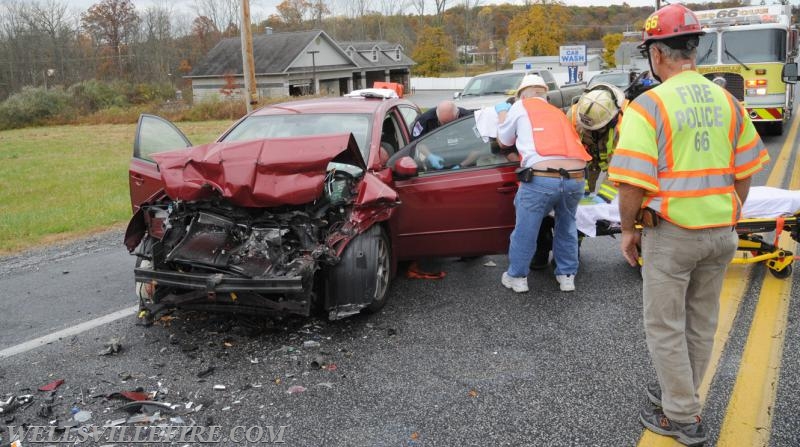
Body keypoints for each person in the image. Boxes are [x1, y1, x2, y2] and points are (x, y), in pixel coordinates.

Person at [608, 4, 769, 446]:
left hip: (673, 233)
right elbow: (746, 169)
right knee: (700, 323)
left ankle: (681, 416)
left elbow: (631, 183)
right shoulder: (727, 100)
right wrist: (728, 212)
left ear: (657, 54)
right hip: (721, 233)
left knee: (664, 327)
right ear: (692, 50)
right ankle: (683, 396)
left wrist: (628, 230)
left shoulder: (649, 106)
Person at [496, 74, 591, 293]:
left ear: (522, 95)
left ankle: (517, 277)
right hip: (576, 178)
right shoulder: (557, 112)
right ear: (544, 94)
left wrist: (502, 112)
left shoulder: (520, 107)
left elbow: (504, 140)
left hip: (541, 177)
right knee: (566, 226)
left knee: (526, 229)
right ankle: (567, 276)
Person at [566, 83, 625, 199]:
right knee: (580, 197)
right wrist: (581, 192)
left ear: (610, 121)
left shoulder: (625, 124)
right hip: (588, 160)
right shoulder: (573, 116)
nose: (588, 131)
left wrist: (604, 199)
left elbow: (618, 167)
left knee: (609, 198)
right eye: (586, 128)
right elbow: (571, 159)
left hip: (612, 163)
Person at [412, 100, 473, 169]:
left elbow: (478, 147)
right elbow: (417, 142)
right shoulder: (425, 120)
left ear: (457, 115)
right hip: (437, 165)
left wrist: (462, 165)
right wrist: (430, 156)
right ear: (437, 116)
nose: (447, 128)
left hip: (465, 167)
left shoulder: (468, 119)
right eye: (443, 123)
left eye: (451, 123)